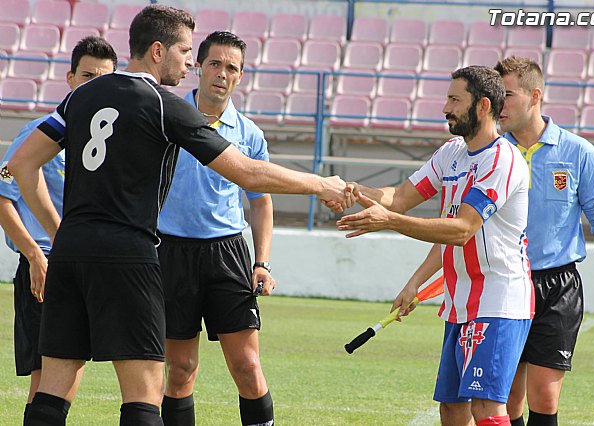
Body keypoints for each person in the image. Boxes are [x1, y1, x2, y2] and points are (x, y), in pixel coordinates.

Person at [7, 5, 349, 425]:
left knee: (53, 388)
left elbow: (23, 164)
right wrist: (321, 184)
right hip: (129, 256)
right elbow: (245, 171)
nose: (190, 62)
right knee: (144, 396)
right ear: (157, 50)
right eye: (186, 51)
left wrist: (59, 233)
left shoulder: (81, 95)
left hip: (71, 253)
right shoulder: (163, 103)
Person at [336, 66, 534, 426]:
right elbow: (398, 198)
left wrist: (389, 221)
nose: (445, 108)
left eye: (455, 100)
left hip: (499, 301)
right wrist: (353, 191)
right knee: (453, 409)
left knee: (487, 410)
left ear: (483, 105)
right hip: (459, 303)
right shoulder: (452, 152)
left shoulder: (502, 160)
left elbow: (461, 229)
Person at [493, 56, 594, 426]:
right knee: (507, 399)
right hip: (505, 283)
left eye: (507, 94)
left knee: (544, 395)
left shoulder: (578, 152)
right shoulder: (494, 153)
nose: (499, 104)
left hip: (557, 286)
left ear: (535, 96)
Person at [157, 31, 275, 426]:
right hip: (171, 253)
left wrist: (262, 262)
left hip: (226, 254)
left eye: (231, 68)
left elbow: (260, 202)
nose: (221, 74)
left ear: (241, 76)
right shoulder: (166, 120)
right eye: (214, 64)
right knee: (180, 370)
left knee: (246, 366)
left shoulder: (249, 135)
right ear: (198, 67)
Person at [0, 36, 118, 423]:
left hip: (91, 263)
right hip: (46, 265)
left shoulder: (112, 141)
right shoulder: (40, 134)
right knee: (46, 372)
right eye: (86, 76)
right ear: (69, 78)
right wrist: (34, 254)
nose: (92, 86)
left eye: (102, 80)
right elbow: (3, 197)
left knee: (70, 365)